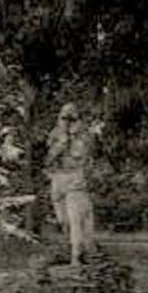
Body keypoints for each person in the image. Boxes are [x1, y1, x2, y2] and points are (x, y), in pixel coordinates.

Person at [47, 102, 97, 265]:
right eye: (64, 118)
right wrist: (61, 143)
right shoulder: (55, 135)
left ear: (79, 119)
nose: (68, 122)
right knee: (63, 221)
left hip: (75, 179)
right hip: (58, 180)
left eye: (72, 118)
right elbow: (48, 160)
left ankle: (76, 256)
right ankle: (75, 249)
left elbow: (87, 159)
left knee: (76, 219)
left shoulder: (86, 137)